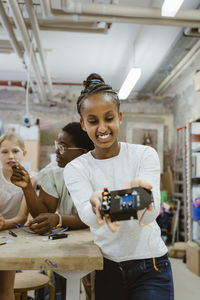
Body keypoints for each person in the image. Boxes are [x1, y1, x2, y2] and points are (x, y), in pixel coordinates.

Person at [63, 73, 174, 300]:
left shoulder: (144, 155)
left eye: (109, 118)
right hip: (108, 268)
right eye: (93, 121)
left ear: (119, 117)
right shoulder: (76, 168)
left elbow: (151, 210)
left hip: (151, 266)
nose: (102, 127)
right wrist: (129, 198)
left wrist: (105, 203)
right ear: (83, 124)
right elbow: (89, 217)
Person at [11, 122, 94, 300]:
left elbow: (91, 216)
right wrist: (27, 188)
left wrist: (58, 219)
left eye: (63, 147)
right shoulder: (53, 172)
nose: (57, 151)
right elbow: (44, 214)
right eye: (57, 145)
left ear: (83, 153)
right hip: (68, 241)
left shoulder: (98, 172)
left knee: (95, 289)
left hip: (97, 241)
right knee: (63, 289)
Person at [0, 132, 34, 300]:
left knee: (6, 291)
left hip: (11, 238)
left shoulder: (31, 180)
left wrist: (3, 224)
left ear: (24, 153)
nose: (10, 156)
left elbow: (21, 218)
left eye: (15, 151)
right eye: (4, 152)